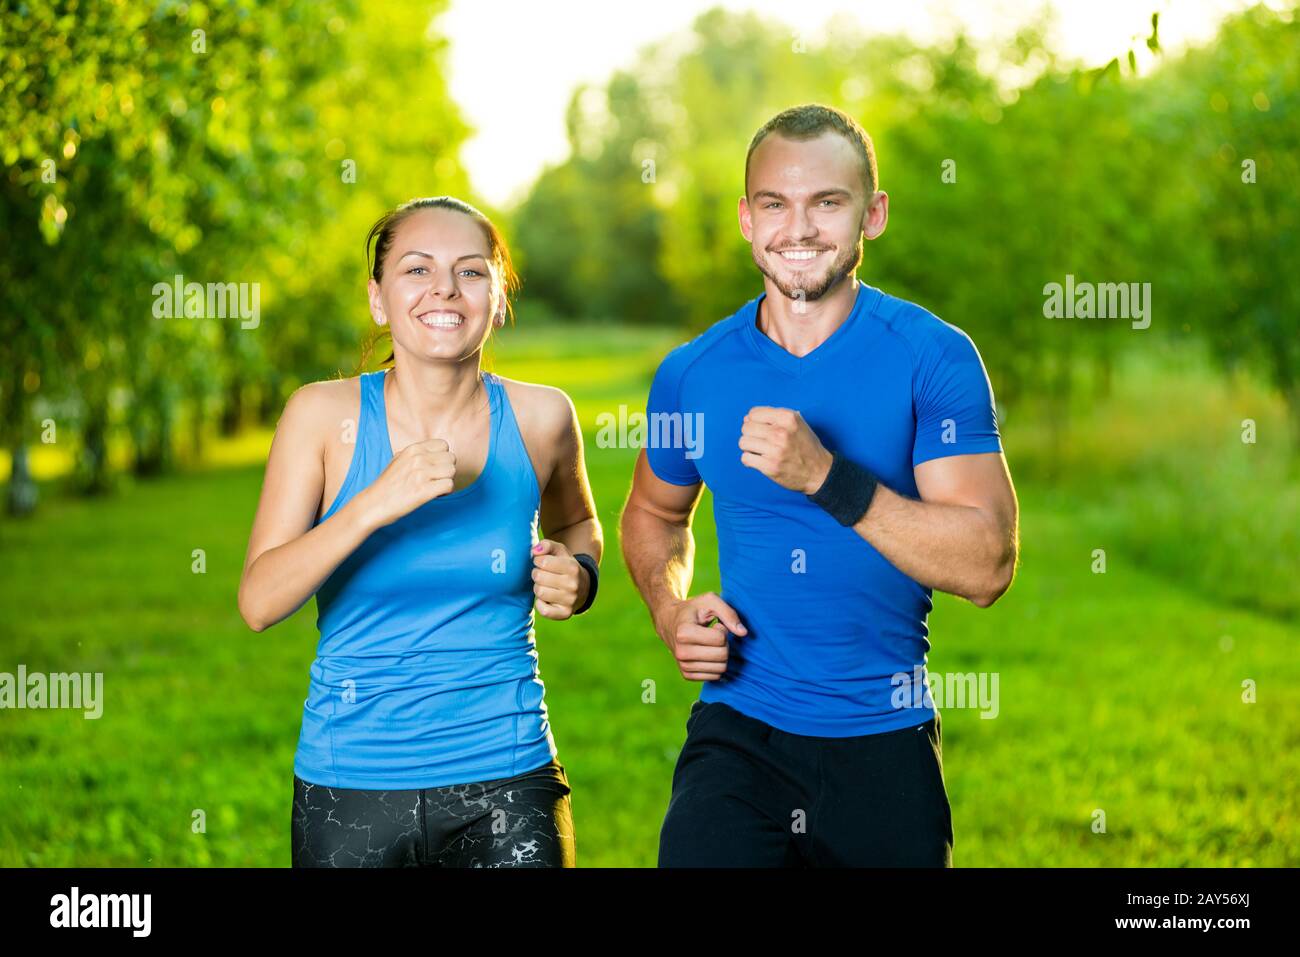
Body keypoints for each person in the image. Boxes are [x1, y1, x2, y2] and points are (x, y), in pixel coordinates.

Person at [620, 104, 1019, 867]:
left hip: (883, 736)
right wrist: (672, 609)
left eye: (826, 203)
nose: (797, 228)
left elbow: (988, 565)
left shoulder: (933, 357)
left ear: (873, 215)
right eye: (775, 203)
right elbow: (652, 512)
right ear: (746, 217)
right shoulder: (691, 373)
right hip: (738, 735)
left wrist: (828, 478)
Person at [238, 196, 601, 867]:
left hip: (509, 775)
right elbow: (260, 600)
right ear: (379, 300)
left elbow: (577, 522)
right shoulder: (320, 416)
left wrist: (580, 575)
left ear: (496, 299)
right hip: (350, 785)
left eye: (470, 271)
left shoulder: (544, 416)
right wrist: (373, 502)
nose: (444, 289)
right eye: (416, 270)